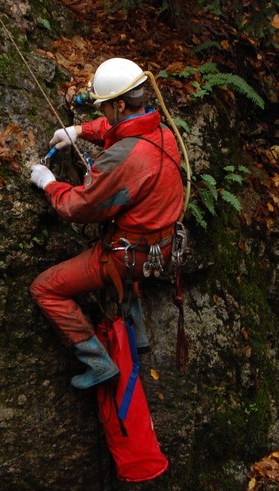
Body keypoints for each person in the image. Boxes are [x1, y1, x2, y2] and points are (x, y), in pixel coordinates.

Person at [29, 57, 184, 389]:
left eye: (105, 106)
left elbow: (79, 206)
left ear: (119, 104)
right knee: (129, 267)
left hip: (128, 255)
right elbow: (121, 130)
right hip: (163, 247)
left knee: (45, 288)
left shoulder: (123, 158)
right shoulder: (163, 133)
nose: (102, 111)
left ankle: (98, 363)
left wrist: (48, 183)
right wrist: (79, 131)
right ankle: (138, 336)